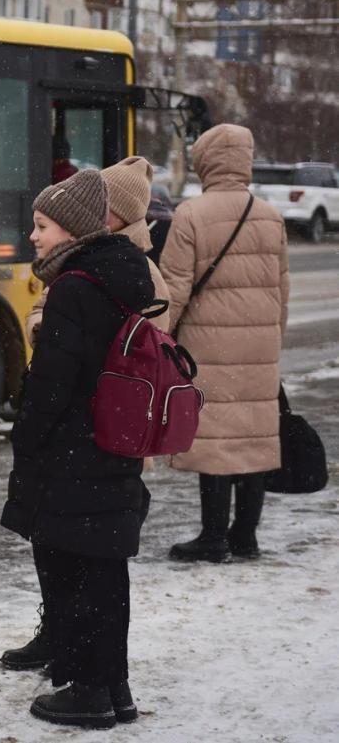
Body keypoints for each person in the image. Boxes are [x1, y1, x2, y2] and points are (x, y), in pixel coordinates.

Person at [0, 169, 155, 729]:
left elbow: (52, 386)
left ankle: (89, 692)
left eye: (42, 225)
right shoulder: (123, 276)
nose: (34, 236)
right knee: (106, 570)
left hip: (75, 449)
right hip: (113, 442)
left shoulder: (74, 289)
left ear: (70, 230)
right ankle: (113, 686)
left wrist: (25, 437)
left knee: (79, 569)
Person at [160, 124, 289, 562]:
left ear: (206, 161)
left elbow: (174, 288)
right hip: (260, 344)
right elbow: (281, 289)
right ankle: (246, 535)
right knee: (253, 435)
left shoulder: (190, 214)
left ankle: (213, 536)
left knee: (215, 436)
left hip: (208, 345)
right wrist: (272, 337)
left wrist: (161, 337)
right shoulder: (270, 216)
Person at [24, 155, 171, 348]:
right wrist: (46, 330)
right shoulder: (85, 258)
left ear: (122, 216)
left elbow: (145, 347)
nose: (92, 209)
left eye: (102, 204)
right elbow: (40, 310)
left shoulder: (142, 273)